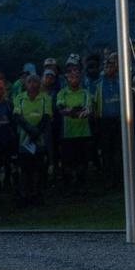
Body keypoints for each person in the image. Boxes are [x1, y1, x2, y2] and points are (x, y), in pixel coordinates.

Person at [13, 74, 51, 206]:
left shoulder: (45, 97)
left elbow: (47, 116)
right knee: (24, 169)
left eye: (36, 82)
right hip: (24, 140)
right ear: (25, 84)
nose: (33, 84)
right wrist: (30, 130)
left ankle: (36, 194)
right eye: (30, 82)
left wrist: (37, 131)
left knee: (37, 168)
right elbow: (17, 116)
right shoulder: (19, 97)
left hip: (39, 139)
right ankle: (24, 195)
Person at [56, 64, 93, 194]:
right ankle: (68, 187)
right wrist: (77, 111)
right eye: (71, 76)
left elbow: (88, 110)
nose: (74, 79)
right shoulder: (62, 93)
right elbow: (62, 110)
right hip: (67, 133)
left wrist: (71, 110)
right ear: (67, 78)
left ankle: (81, 185)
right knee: (67, 162)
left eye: (76, 76)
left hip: (83, 133)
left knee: (83, 161)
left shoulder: (85, 93)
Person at [94, 53, 123, 188]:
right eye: (106, 66)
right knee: (106, 151)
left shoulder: (120, 82)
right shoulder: (98, 84)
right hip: (104, 121)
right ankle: (108, 178)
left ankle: (119, 177)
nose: (109, 68)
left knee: (118, 149)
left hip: (119, 120)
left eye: (111, 66)